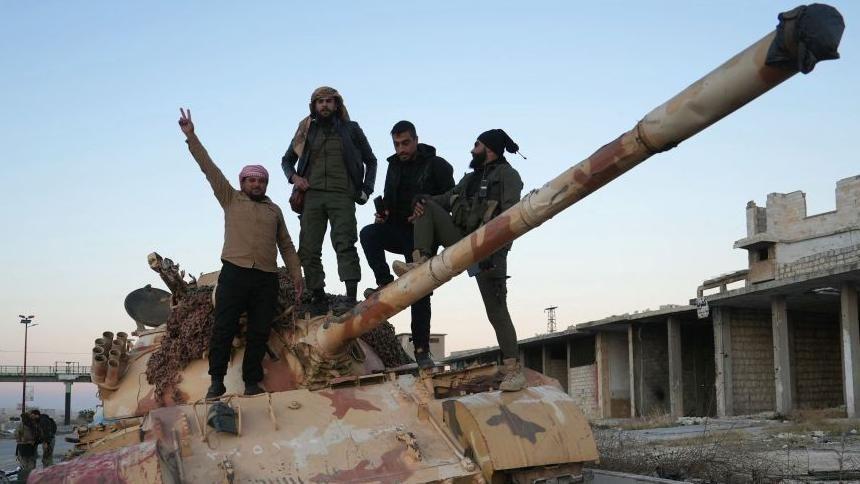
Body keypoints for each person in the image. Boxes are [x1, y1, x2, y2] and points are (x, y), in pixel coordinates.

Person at [177, 108, 304, 399]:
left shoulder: (274, 210)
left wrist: (296, 275)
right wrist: (191, 137)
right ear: (243, 182)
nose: (256, 184)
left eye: (261, 181)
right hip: (234, 273)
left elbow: (286, 245)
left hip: (266, 278)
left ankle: (251, 382)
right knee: (224, 328)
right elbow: (209, 168)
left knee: (259, 332)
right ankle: (216, 381)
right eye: (251, 180)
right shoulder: (230, 198)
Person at [393, 129, 527, 391]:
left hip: (488, 247)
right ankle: (419, 261)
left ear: (489, 148)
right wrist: (421, 201)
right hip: (461, 240)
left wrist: (495, 250)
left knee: (496, 311)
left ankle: (514, 370)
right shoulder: (471, 178)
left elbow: (512, 218)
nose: (471, 150)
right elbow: (444, 199)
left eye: (476, 145)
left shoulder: (508, 176)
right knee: (426, 203)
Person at [359, 121, 454, 368]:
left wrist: (426, 203)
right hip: (397, 229)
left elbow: (453, 200)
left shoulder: (437, 165)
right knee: (369, 234)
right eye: (396, 144)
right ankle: (384, 281)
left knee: (419, 292)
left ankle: (422, 351)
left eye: (405, 143)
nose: (401, 148)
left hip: (422, 236)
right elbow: (390, 198)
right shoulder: (393, 167)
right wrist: (383, 215)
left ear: (416, 140)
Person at [281, 86, 377, 308]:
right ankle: (318, 295)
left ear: (337, 104)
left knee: (345, 243)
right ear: (314, 106)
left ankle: (351, 296)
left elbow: (371, 160)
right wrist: (295, 178)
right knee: (308, 247)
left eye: (329, 101)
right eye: (320, 101)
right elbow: (286, 160)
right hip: (311, 196)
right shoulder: (306, 130)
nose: (324, 105)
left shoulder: (351, 129)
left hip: (342, 194)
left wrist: (366, 189)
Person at [14, 413, 37, 481]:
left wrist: (20, 440)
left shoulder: (22, 425)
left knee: (24, 464)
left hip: (23, 447)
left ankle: (27, 479)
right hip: (32, 447)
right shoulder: (34, 425)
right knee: (31, 463)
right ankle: (32, 478)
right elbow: (38, 435)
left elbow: (16, 434)